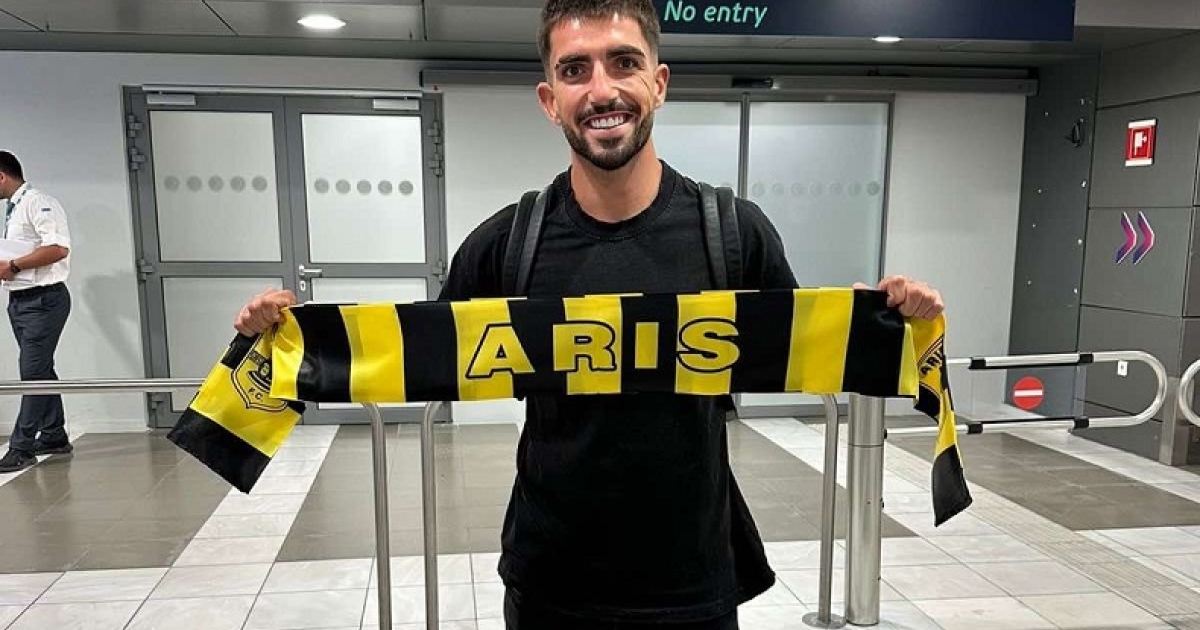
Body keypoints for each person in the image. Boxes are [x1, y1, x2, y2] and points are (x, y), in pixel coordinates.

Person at [234, 0, 945, 626]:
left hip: (693, 584)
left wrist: (891, 321)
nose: (601, 90)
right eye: (575, 70)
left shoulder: (732, 233)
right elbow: (415, 360)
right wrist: (284, 342)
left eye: (623, 62)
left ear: (658, 82)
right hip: (552, 584)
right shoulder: (507, 244)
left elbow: (808, 349)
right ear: (550, 100)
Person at [0, 151, 73, 474]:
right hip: (20, 301)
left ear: (1, 176)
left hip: (43, 301)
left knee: (32, 374)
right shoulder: (15, 208)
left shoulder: (39, 203)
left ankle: (22, 447)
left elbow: (58, 248)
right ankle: (54, 434)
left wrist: (14, 265)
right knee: (40, 370)